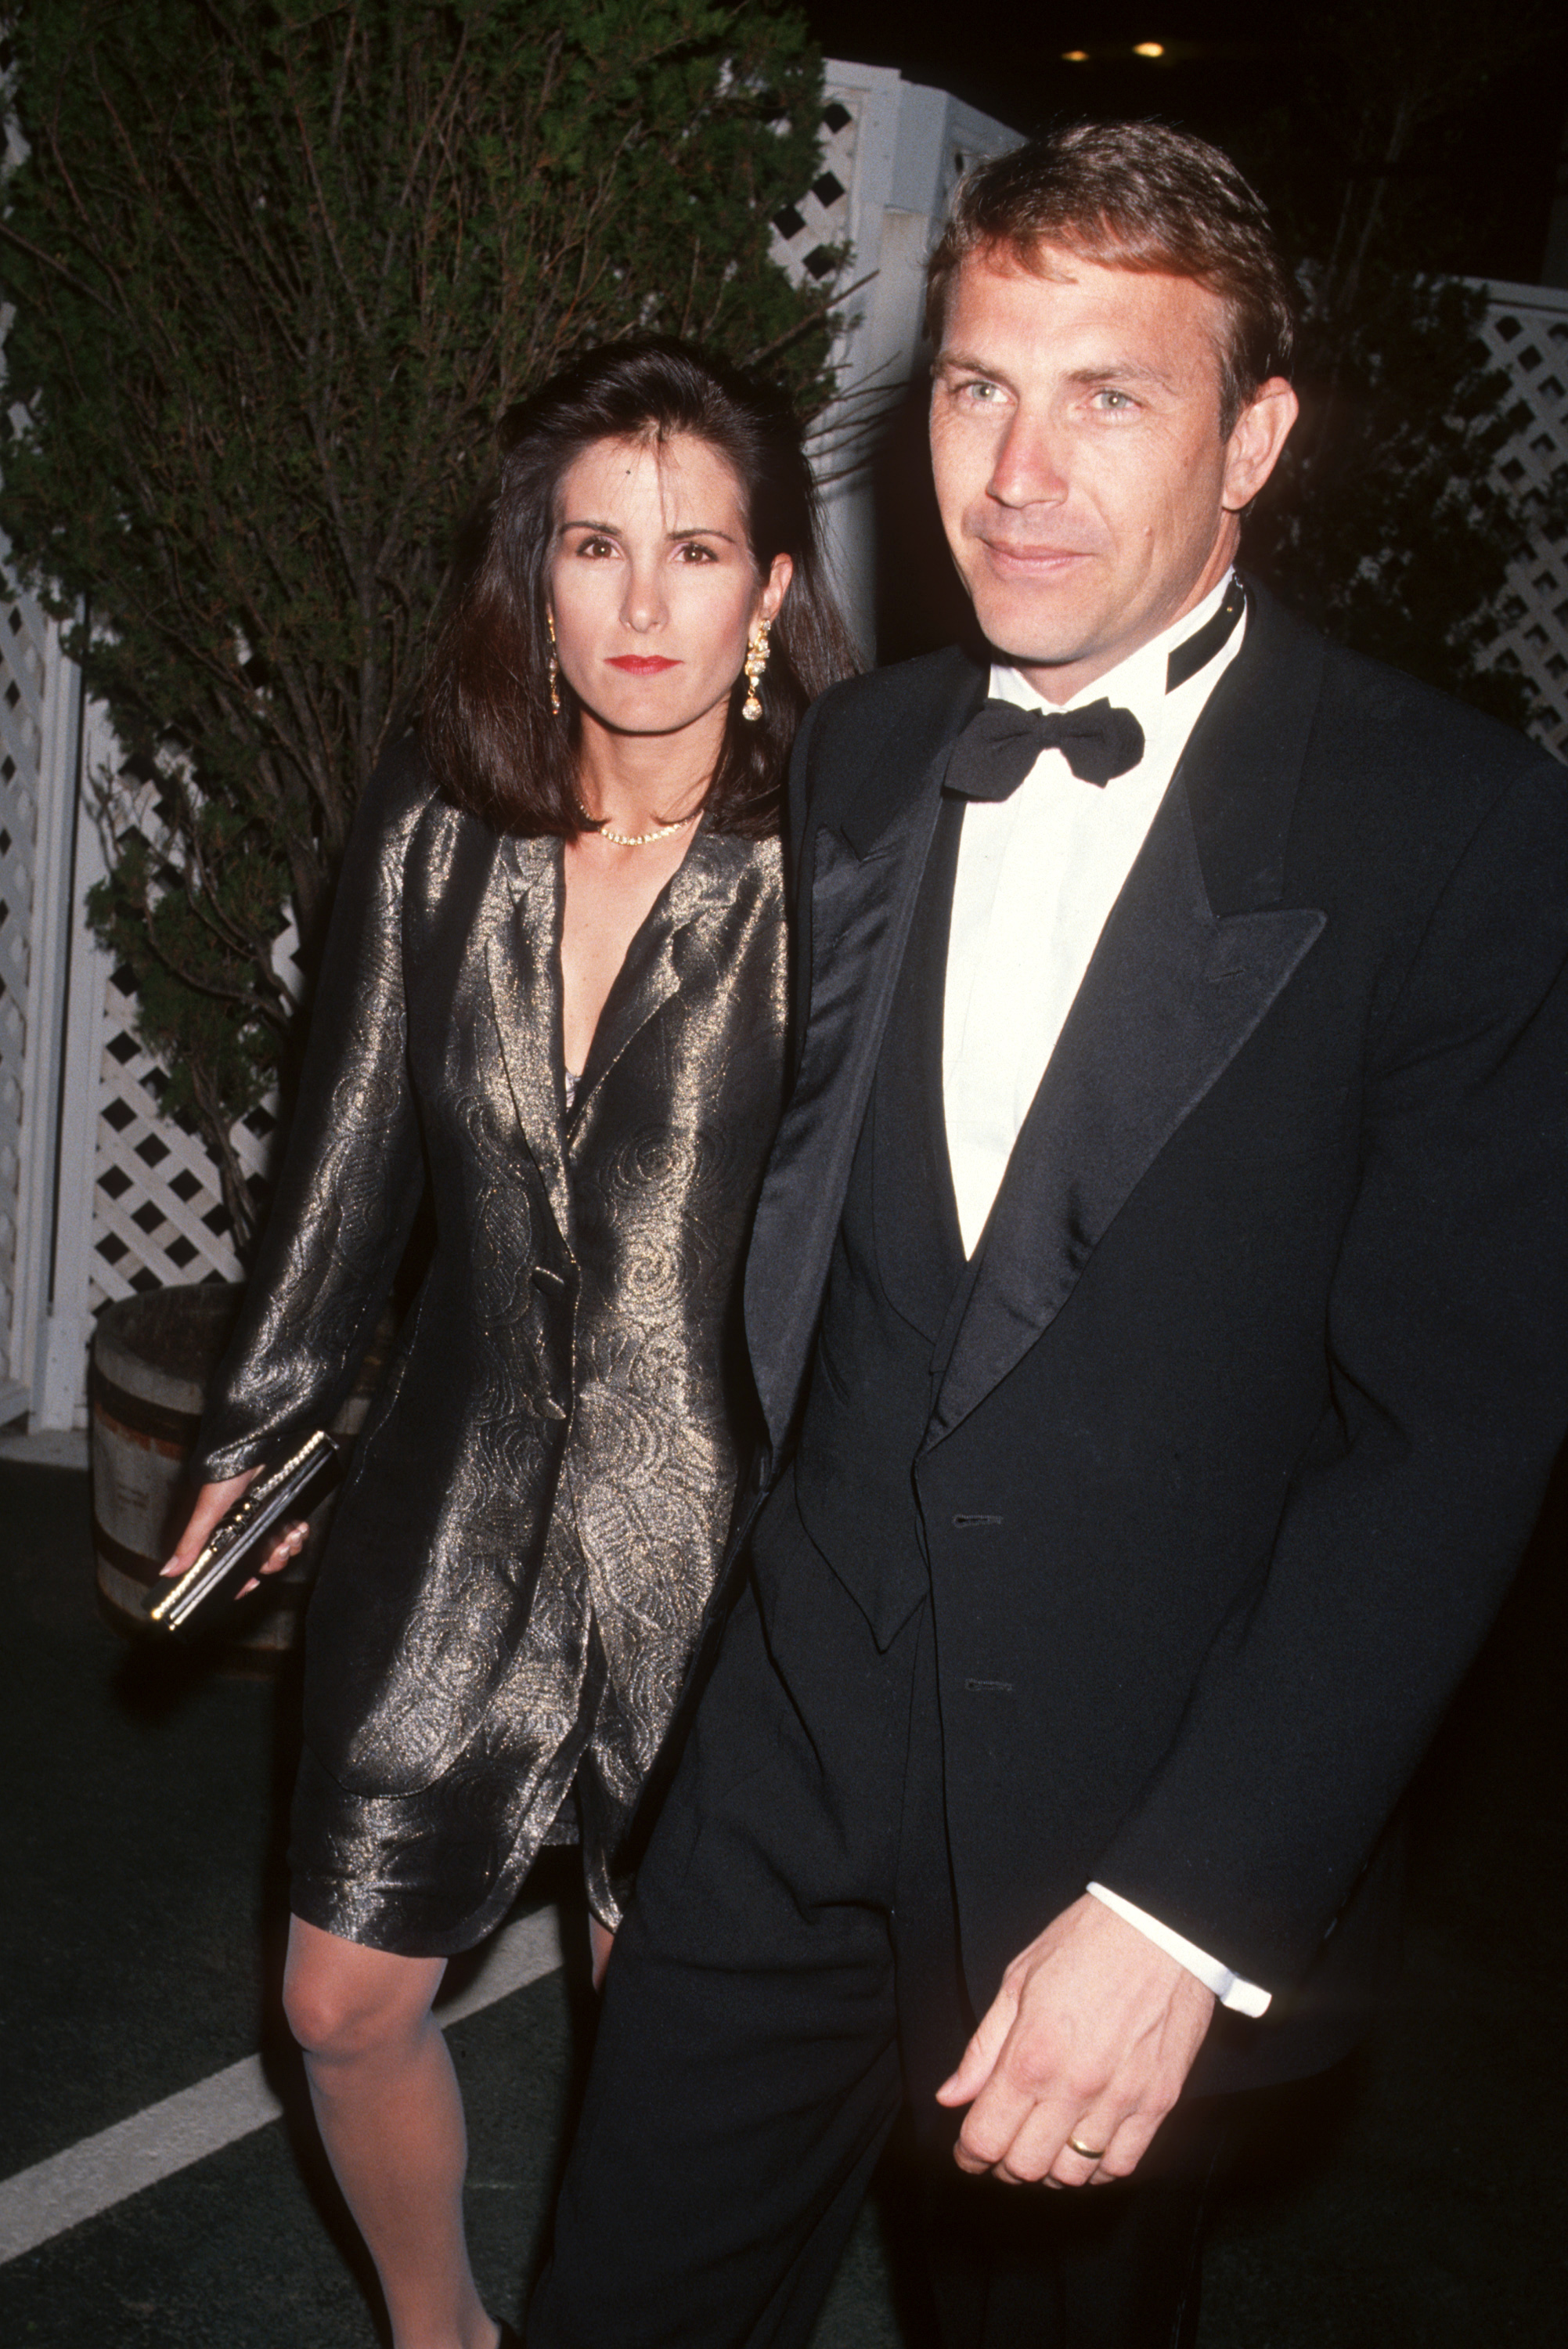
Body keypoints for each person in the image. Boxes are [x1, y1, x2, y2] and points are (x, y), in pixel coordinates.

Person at [525, 124, 1568, 2349]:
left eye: (1110, 396)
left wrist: (1186, 1907)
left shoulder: (1452, 831)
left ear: (1254, 436)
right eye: (978, 388)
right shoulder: (875, 749)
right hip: (782, 1755)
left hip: (1112, 1823)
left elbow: (1451, 1433)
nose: (1016, 469)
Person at [161, 337, 856, 2349]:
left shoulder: (843, 871)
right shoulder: (436, 828)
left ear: (773, 592)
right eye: (595, 545)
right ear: (530, 579)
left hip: (717, 1536)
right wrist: (273, 1421)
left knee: (669, 2064)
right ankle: (441, 2331)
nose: (644, 603)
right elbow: (348, 1153)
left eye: (698, 549)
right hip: (449, 1504)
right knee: (336, 1999)